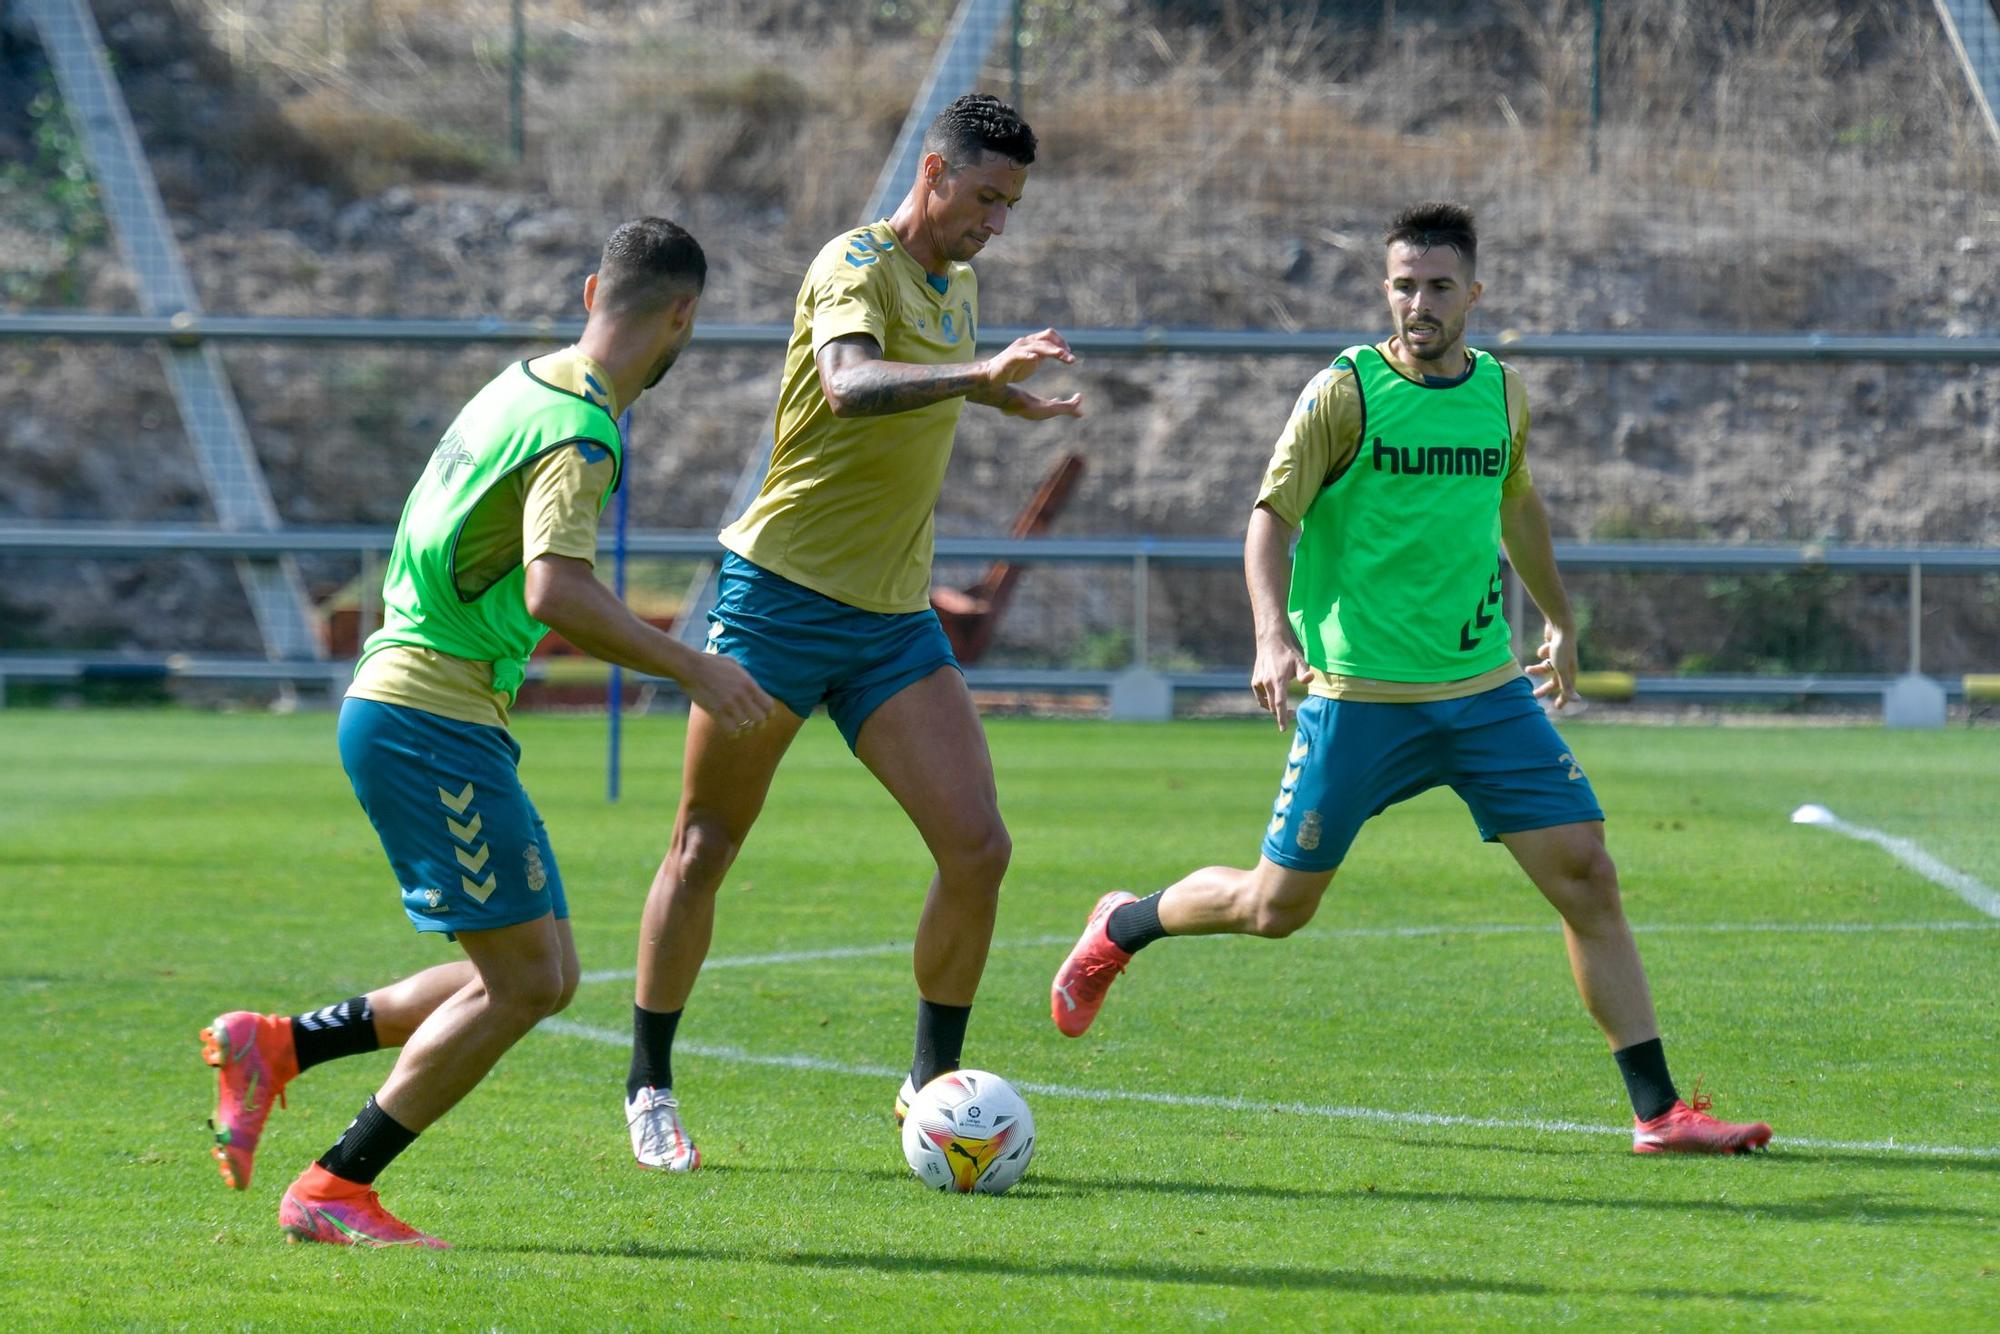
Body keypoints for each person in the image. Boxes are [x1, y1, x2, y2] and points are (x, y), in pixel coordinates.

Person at [1048, 202, 1772, 1156]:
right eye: (1402, 285)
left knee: (1589, 878)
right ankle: (1124, 924)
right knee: (1275, 910)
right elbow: (1271, 519)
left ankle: (1659, 1112)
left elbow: (1517, 506)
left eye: (1437, 286)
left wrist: (1558, 617)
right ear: (1384, 290)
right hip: (1360, 698)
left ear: (1473, 293)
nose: (1418, 303)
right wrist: (1272, 638)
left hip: (1485, 693)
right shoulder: (1343, 392)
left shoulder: (1503, 393)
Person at [199, 218, 776, 1246]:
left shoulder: (521, 383)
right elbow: (558, 590)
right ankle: (333, 1185)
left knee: (541, 971)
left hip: (422, 700)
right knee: (521, 982)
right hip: (429, 713)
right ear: (682, 315)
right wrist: (692, 662)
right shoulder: (581, 430)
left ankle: (277, 1044)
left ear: (595, 286)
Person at [622, 93, 1082, 1170]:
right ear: (933, 172)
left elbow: (921, 394)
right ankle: (648, 1083)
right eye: (983, 198)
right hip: (775, 601)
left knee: (978, 847)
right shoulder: (855, 262)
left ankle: (929, 1085)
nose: (994, 225)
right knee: (704, 847)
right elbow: (846, 383)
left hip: (888, 621)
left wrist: (994, 401)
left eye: (1010, 206)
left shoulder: (958, 287)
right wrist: (974, 377)